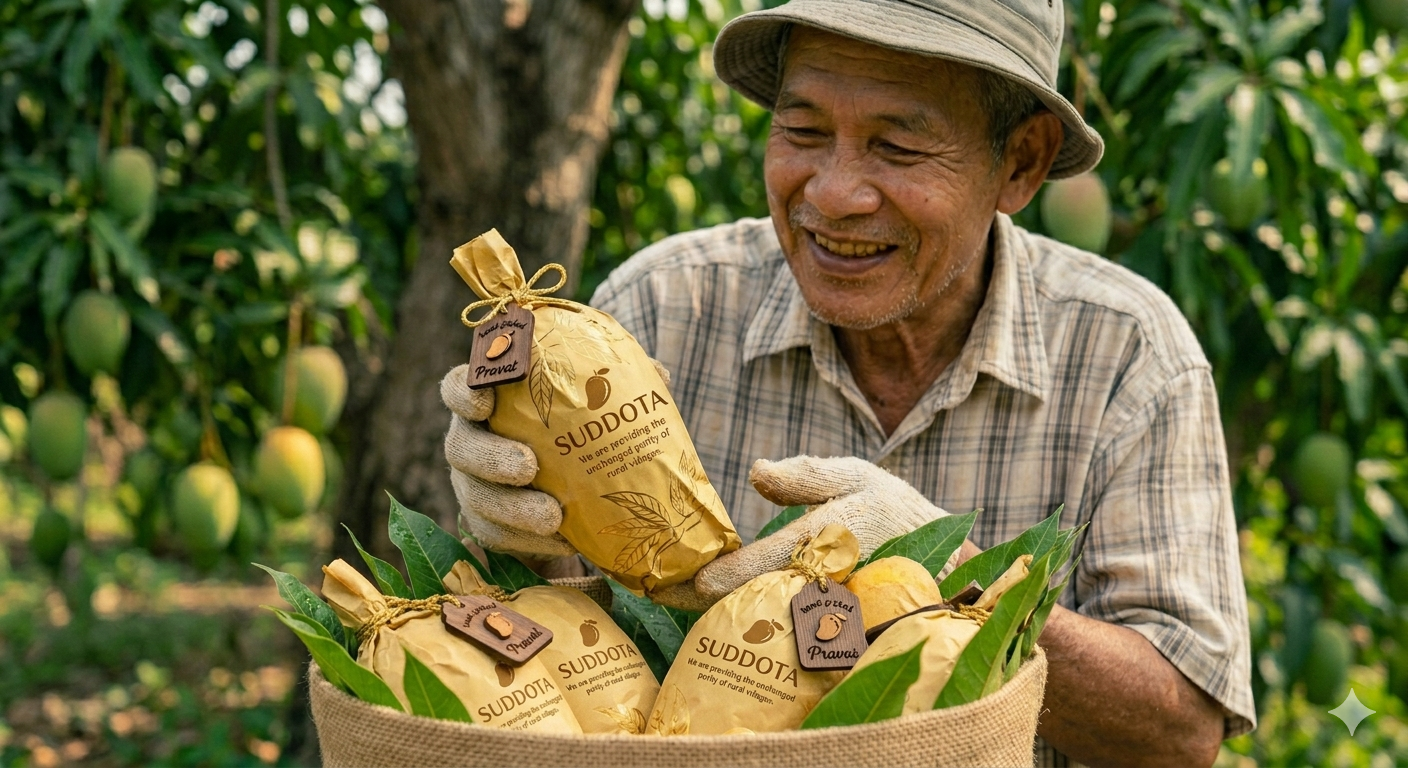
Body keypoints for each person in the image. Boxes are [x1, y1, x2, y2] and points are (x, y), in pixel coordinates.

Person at [438, 1, 1254, 764]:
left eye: (899, 147)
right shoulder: (659, 310)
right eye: (801, 129)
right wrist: (516, 540)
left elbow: (1181, 728)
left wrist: (952, 572)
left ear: (1023, 163)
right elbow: (540, 670)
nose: (832, 193)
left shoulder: (1127, 356)